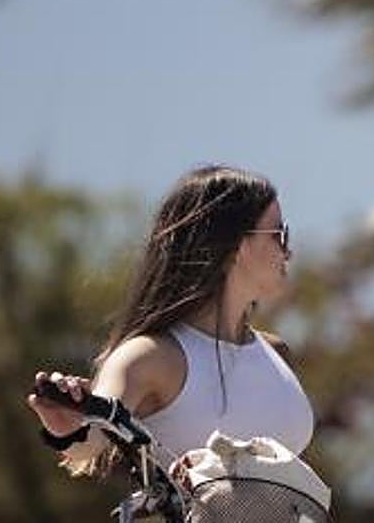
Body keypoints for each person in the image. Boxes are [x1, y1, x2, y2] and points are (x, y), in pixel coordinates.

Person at [26, 164, 313, 475]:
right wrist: (69, 426)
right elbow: (88, 440)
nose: (288, 252)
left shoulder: (277, 352)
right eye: (280, 235)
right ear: (237, 244)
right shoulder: (149, 356)